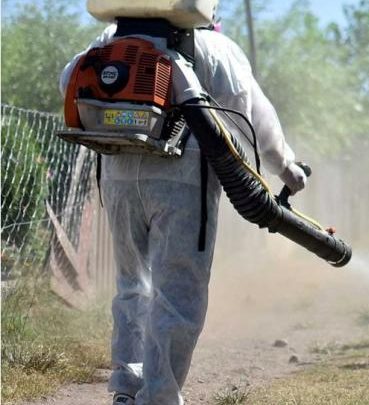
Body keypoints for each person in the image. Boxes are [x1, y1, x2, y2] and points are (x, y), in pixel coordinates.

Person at [59, 13, 307, 405]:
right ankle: (158, 397)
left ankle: (126, 387)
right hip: (181, 181)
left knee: (131, 285)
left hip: (118, 173)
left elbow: (68, 79)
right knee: (177, 292)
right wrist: (287, 168)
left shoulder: (110, 35)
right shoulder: (214, 48)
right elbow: (254, 117)